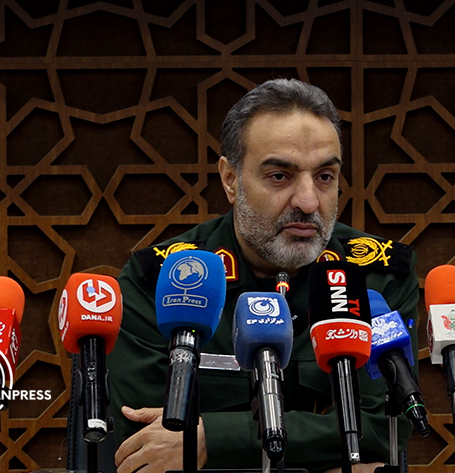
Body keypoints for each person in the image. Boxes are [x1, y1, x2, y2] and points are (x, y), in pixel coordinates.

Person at [107, 78, 420, 473]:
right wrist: (318, 446)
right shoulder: (160, 281)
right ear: (231, 179)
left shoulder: (377, 277)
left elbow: (383, 427)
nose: (308, 201)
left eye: (325, 176)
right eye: (279, 176)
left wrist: (212, 439)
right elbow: (146, 446)